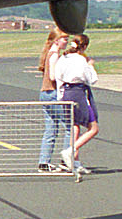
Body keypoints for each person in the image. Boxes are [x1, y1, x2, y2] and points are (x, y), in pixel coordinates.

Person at [52, 33, 100, 173]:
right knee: (93, 128)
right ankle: (70, 151)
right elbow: (91, 79)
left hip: (66, 92)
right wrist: (90, 65)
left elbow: (57, 76)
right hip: (78, 93)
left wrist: (60, 96)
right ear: (84, 47)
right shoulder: (80, 60)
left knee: (75, 126)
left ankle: (74, 161)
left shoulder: (63, 58)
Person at [36, 23, 69, 172]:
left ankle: (44, 162)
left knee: (51, 128)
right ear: (56, 40)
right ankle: (66, 159)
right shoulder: (54, 54)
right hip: (53, 93)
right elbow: (53, 76)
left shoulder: (49, 53)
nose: (66, 42)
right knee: (69, 126)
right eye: (64, 39)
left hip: (44, 93)